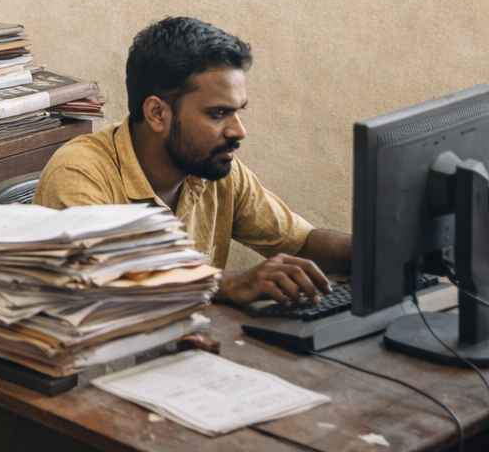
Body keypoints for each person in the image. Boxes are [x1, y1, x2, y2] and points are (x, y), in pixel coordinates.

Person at [35, 17, 352, 307]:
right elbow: (102, 287)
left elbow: (300, 243)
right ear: (157, 113)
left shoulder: (214, 165)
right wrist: (227, 285)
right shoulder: (80, 173)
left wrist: (384, 248)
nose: (238, 130)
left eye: (238, 111)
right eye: (218, 113)